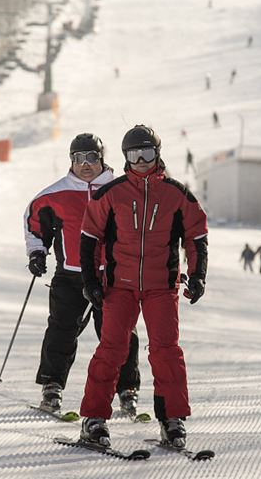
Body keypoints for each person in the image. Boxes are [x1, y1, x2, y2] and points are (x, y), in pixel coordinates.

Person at [77, 125, 208, 449]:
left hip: (161, 287)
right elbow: (89, 238)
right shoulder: (111, 193)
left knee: (166, 352)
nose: (140, 160)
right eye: (133, 154)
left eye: (146, 153)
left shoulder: (177, 194)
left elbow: (197, 237)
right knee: (112, 351)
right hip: (118, 286)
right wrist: (91, 281)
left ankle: (172, 420)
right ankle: (94, 419)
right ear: (124, 157)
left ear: (157, 154)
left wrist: (198, 274)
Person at [24, 133, 141, 414]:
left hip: (112, 276)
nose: (85, 164)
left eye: (91, 157)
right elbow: (34, 224)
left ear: (102, 158)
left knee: (120, 334)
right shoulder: (54, 194)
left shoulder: (121, 189)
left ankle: (127, 390)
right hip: (71, 274)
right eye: (78, 158)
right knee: (61, 330)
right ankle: (52, 387)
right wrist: (37, 252)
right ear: (71, 160)